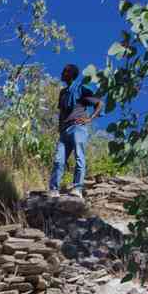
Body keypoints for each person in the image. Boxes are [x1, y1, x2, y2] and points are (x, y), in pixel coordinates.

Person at [49, 63, 102, 199]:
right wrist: (60, 128)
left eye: (64, 72)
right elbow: (62, 112)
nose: (62, 74)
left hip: (78, 128)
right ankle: (54, 189)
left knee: (79, 157)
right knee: (58, 160)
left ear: (71, 74)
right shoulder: (63, 93)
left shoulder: (80, 89)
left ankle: (77, 188)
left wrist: (89, 118)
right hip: (64, 130)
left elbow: (99, 103)